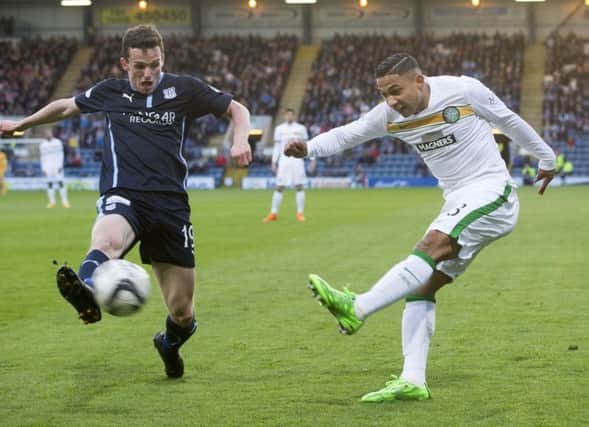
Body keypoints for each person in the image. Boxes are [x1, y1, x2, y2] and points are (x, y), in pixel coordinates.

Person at [284, 53, 555, 402]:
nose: (391, 100)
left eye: (396, 90)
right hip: (458, 199)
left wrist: (546, 158)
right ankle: (413, 379)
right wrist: (308, 148)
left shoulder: (462, 91)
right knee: (422, 287)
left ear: (419, 81)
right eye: (384, 94)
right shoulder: (390, 116)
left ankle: (358, 308)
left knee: (430, 245)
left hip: (492, 193)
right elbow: (348, 134)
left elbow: (509, 120)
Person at [0, 24, 252, 378]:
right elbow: (66, 107)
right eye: (139, 66)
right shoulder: (110, 93)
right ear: (124, 63)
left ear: (162, 59)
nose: (148, 74)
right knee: (107, 240)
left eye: (155, 65)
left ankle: (169, 344)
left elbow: (237, 110)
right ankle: (87, 290)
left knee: (183, 313)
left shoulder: (185, 89)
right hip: (125, 193)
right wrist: (23, 124)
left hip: (171, 206)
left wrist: (240, 139)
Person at [263, 108, 316, 222]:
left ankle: (300, 213)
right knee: (279, 186)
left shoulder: (301, 128)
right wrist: (273, 161)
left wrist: (312, 159)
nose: (289, 117)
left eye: (291, 115)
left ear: (294, 116)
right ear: (284, 116)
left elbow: (307, 145)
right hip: (284, 161)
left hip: (297, 160)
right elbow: (277, 147)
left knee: (299, 186)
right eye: (287, 115)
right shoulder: (279, 129)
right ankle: (273, 213)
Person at [40, 128, 70, 208]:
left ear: (52, 133)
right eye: (46, 133)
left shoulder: (57, 142)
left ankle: (65, 202)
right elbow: (42, 157)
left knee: (60, 182)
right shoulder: (43, 145)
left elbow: (61, 154)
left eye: (49, 132)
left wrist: (60, 165)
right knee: (50, 184)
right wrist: (43, 168)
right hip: (48, 166)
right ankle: (52, 202)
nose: (48, 134)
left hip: (57, 165)